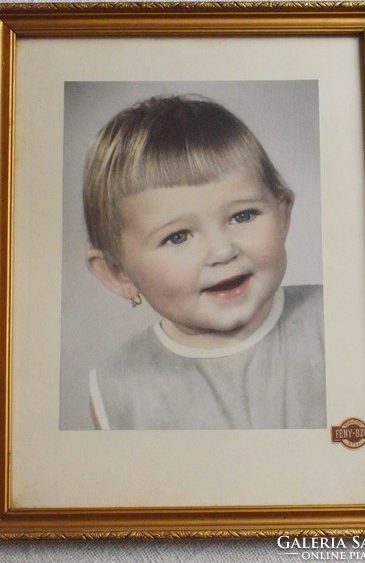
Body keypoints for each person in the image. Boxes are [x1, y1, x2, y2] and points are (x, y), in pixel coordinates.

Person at [83, 94, 326, 430]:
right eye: (178, 236)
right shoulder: (118, 389)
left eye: (243, 215)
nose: (223, 252)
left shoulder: (335, 320)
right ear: (118, 273)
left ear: (282, 215)